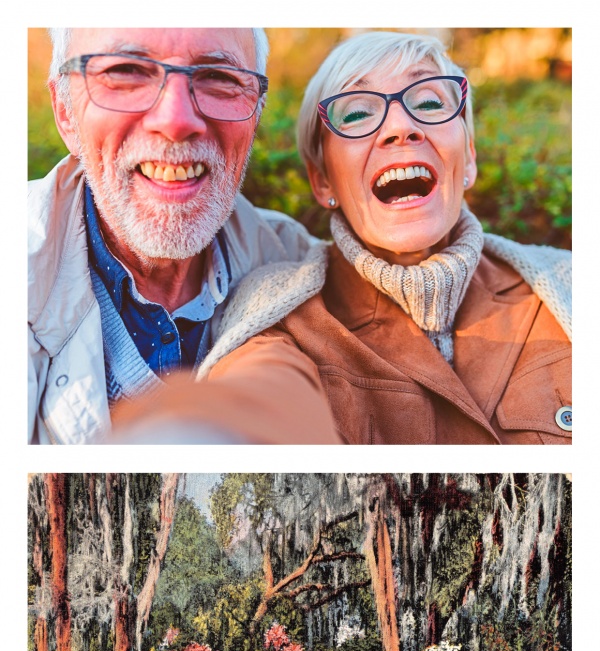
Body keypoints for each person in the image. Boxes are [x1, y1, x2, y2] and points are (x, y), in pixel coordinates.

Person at [190, 30, 571, 445]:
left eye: (428, 103)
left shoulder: (568, 286)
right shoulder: (278, 318)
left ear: (470, 159)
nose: (402, 128)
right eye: (356, 114)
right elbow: (256, 404)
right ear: (322, 181)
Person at [28, 27, 338, 444]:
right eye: (126, 72)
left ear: (256, 112)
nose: (175, 121)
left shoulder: (300, 266)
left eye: (219, 78)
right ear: (65, 111)